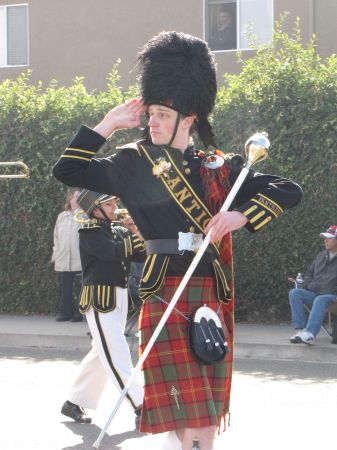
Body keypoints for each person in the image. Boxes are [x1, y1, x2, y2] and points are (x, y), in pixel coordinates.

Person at [54, 31, 302, 450]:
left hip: (208, 292)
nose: (151, 122)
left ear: (188, 118)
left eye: (162, 115)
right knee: (184, 413)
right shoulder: (132, 162)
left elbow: (288, 189)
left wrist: (239, 215)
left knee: (201, 413)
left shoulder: (221, 167)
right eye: (149, 113)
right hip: (163, 290)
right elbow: (68, 170)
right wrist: (109, 124)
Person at [61, 190, 145, 427]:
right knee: (116, 352)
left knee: (102, 352)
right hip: (99, 299)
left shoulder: (117, 230)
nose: (115, 208)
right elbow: (112, 252)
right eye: (109, 204)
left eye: (115, 203)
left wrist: (135, 230)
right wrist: (130, 235)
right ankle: (140, 405)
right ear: (96, 208)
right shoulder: (89, 231)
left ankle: (73, 401)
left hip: (119, 298)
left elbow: (141, 253)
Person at [289, 225, 337, 345]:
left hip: (332, 296)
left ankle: (310, 334)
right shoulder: (320, 256)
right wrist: (310, 285)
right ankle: (300, 331)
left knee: (320, 299)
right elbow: (309, 274)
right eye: (325, 238)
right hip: (315, 293)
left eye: (329, 238)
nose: (325, 240)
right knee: (295, 293)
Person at [52, 188, 82, 322]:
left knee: (81, 289)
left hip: (79, 259)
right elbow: (56, 237)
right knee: (65, 289)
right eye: (75, 197)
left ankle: (79, 314)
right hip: (63, 258)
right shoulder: (61, 216)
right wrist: (56, 255)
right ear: (69, 199)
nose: (76, 199)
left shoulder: (85, 216)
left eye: (79, 197)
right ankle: (65, 313)